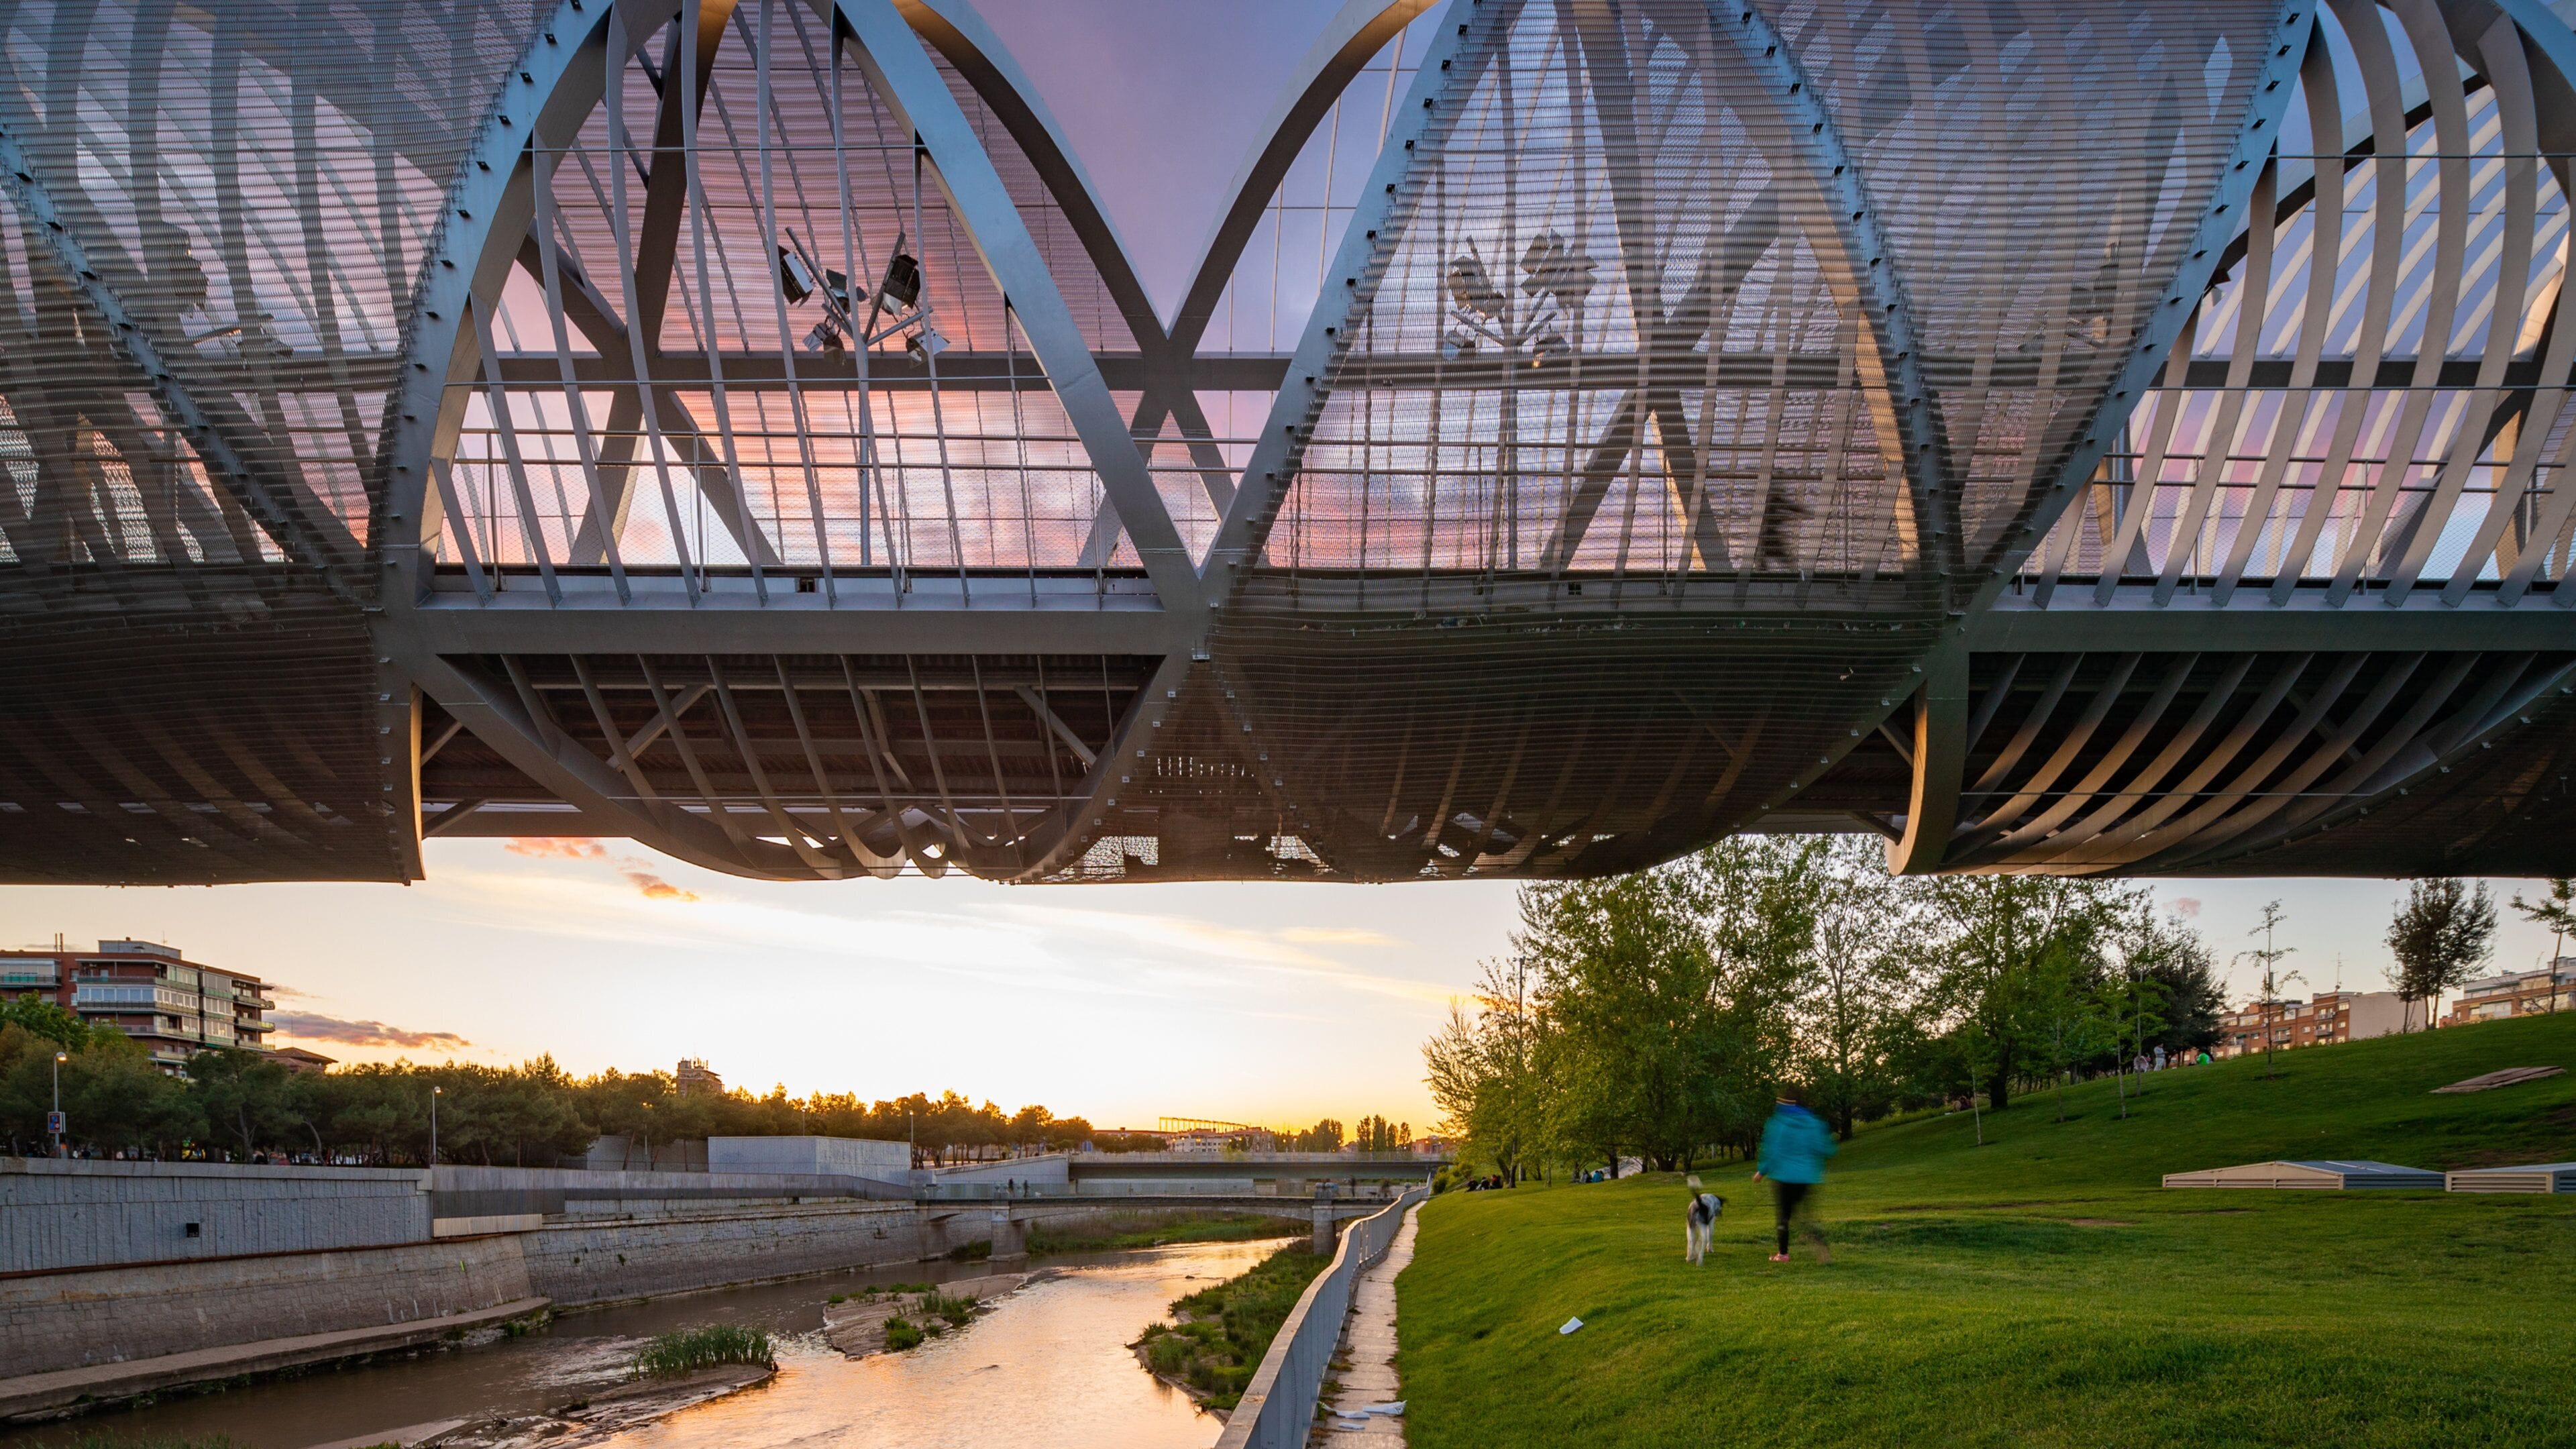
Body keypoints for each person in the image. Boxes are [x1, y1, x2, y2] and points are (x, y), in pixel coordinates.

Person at [1752, 1086, 1836, 1263]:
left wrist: (1762, 1171)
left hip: (1784, 1177)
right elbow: (1826, 1149)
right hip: (1807, 1177)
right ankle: (1820, 1245)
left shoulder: (1778, 1123)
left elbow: (1773, 1151)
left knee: (1784, 1216)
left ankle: (1783, 1254)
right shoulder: (1813, 1122)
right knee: (1805, 1216)